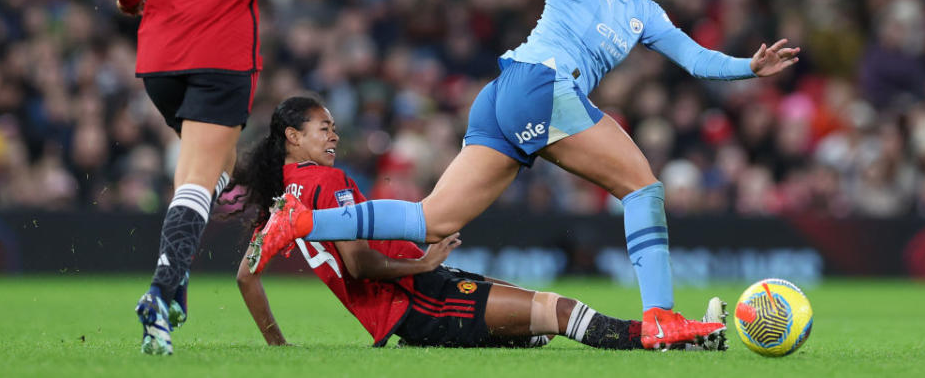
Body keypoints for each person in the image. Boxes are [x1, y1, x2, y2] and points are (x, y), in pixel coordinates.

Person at [249, 0, 798, 349]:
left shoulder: (645, 13)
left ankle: (301, 224)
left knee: (432, 220)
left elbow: (697, 59)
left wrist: (749, 67)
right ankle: (660, 316)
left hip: (505, 99)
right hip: (540, 86)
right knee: (644, 188)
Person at [229, 96, 728, 350]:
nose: (333, 136)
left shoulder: (280, 198)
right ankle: (674, 338)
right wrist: (422, 261)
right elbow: (358, 266)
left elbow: (246, 276)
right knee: (557, 311)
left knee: (532, 324)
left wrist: (279, 347)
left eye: (335, 128)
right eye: (323, 129)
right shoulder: (328, 181)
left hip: (416, 301)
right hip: (417, 299)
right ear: (293, 136)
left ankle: (685, 336)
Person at [99, 0, 299, 355]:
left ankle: (176, 278)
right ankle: (162, 292)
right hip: (222, 58)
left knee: (213, 166)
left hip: (159, 60)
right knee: (196, 179)